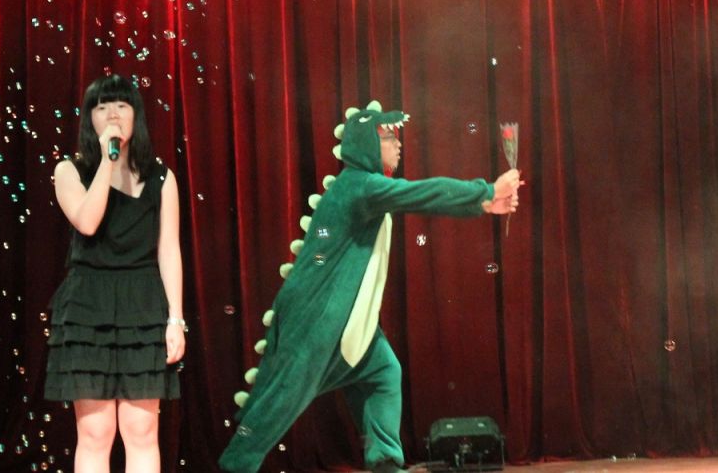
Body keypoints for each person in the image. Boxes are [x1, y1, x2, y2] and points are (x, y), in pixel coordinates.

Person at [218, 100, 522, 473]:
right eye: (389, 137)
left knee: (383, 373)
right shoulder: (359, 186)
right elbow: (421, 193)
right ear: (367, 144)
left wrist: (484, 204)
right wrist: (485, 191)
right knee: (278, 402)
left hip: (345, 325)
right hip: (314, 324)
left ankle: (385, 464)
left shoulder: (363, 188)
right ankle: (235, 467)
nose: (398, 144)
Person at [45, 73, 185, 473]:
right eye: (102, 106)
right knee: (95, 433)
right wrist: (108, 161)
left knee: (142, 431)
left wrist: (175, 319)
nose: (112, 114)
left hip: (144, 305)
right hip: (88, 305)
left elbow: (169, 250)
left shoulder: (162, 177)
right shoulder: (69, 171)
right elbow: (87, 222)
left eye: (121, 105)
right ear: (89, 118)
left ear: (135, 115)